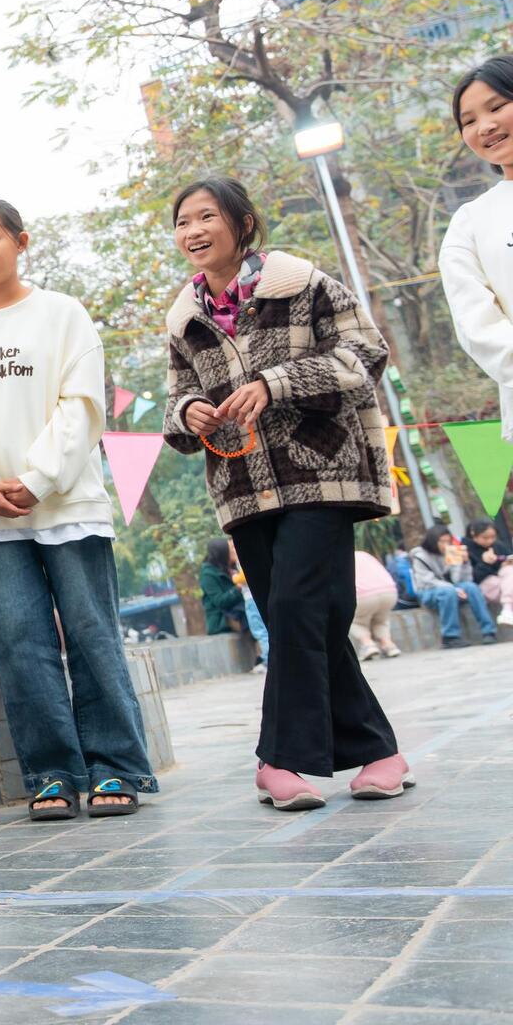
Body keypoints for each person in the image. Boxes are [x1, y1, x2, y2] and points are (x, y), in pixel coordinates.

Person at [164, 176, 410, 812]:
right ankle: (379, 751)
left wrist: (277, 382)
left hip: (322, 469)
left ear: (242, 224)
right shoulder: (184, 318)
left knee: (300, 606)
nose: (192, 231)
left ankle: (278, 760)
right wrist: (189, 411)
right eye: (183, 221)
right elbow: (174, 399)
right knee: (302, 617)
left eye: (206, 217)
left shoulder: (302, 283)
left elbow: (366, 353)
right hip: (242, 484)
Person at [0, 200, 156, 822]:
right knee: (20, 644)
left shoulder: (62, 315)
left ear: (21, 242)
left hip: (68, 505)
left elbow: (81, 405)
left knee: (91, 633)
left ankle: (116, 767)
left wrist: (39, 477)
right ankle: (51, 773)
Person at [439, 55, 513, 443]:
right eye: (468, 121)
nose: (485, 126)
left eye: (498, 106)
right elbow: (477, 326)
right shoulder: (471, 223)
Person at [408, 528, 498, 649]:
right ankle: (450, 637)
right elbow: (427, 581)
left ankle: (489, 631)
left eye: (448, 541)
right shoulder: (420, 556)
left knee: (471, 587)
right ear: (433, 541)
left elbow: (460, 579)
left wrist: (464, 563)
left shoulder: (452, 552)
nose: (445, 545)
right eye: (442, 541)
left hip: (450, 589)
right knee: (448, 592)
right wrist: (454, 589)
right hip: (428, 591)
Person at [200, 538, 268, 669]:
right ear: (222, 553)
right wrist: (238, 588)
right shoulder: (208, 575)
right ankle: (264, 657)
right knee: (254, 621)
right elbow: (220, 601)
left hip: (239, 609)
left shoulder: (231, 568)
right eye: (230, 550)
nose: (234, 552)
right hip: (224, 617)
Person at [350, 549, 403, 660]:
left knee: (356, 621)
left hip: (363, 595)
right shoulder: (365, 555)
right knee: (381, 621)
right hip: (389, 592)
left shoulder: (343, 557)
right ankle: (388, 645)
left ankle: (367, 644)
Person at [462, 518, 513, 624]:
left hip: (505, 582)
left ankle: (507, 610)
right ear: (473, 534)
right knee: (495, 581)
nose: (489, 541)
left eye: (493, 537)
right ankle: (507, 610)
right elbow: (469, 577)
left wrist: (504, 563)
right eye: (485, 538)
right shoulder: (464, 549)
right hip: (483, 585)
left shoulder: (498, 546)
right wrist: (485, 563)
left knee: (509, 570)